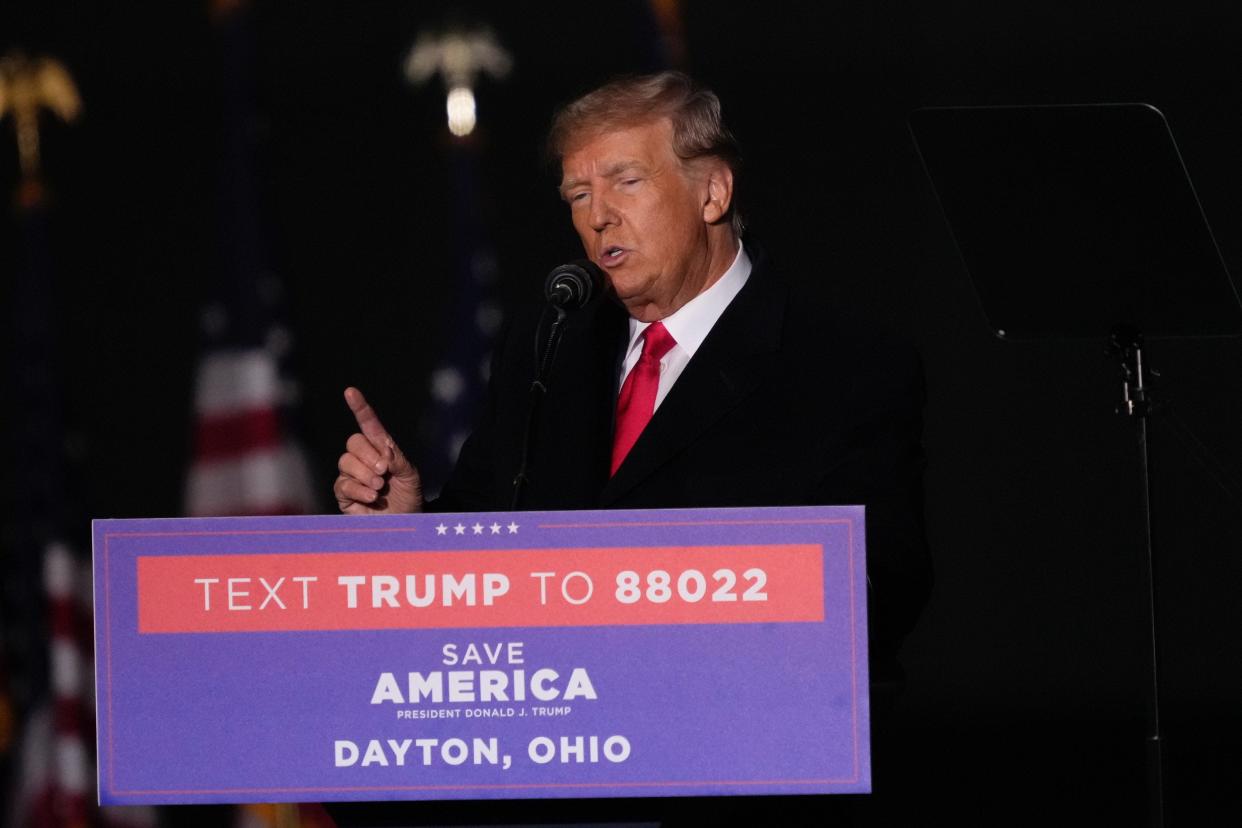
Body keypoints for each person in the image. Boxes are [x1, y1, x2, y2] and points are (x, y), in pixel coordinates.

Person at [333, 70, 930, 672]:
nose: (599, 218)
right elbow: (490, 543)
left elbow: (880, 590)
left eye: (627, 181)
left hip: (734, 720)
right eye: (578, 196)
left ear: (713, 193)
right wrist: (409, 528)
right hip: (558, 732)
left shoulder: (843, 363)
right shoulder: (546, 346)